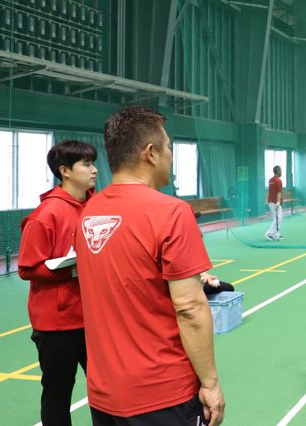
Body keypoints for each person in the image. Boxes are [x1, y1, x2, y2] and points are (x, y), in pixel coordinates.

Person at [74, 106, 225, 425]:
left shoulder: (89, 213)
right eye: (169, 146)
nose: (171, 154)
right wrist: (210, 383)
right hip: (162, 394)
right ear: (151, 153)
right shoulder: (171, 212)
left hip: (104, 395)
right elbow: (189, 308)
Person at [17, 140, 97, 426]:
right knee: (58, 395)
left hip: (94, 318)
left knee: (107, 389)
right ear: (65, 171)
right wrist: (72, 271)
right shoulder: (45, 215)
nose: (94, 170)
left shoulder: (95, 207)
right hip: (57, 325)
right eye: (86, 164)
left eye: (93, 163)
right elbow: (27, 268)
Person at [265, 165, 283, 241]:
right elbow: (279, 192)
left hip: (270, 202)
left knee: (275, 219)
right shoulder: (278, 181)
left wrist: (268, 199)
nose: (281, 172)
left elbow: (270, 191)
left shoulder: (271, 180)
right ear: (278, 171)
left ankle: (276, 235)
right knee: (279, 218)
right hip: (275, 203)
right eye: (280, 170)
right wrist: (278, 201)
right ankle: (269, 233)